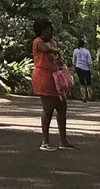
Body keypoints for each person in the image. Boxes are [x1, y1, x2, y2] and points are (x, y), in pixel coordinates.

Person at [31, 19, 74, 151]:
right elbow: (47, 50)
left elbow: (55, 58)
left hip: (56, 77)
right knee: (48, 109)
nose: (51, 33)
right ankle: (45, 141)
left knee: (62, 108)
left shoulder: (51, 43)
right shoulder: (38, 42)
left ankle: (63, 140)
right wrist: (56, 51)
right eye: (49, 30)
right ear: (42, 31)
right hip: (44, 77)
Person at [71, 37, 93, 101]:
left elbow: (74, 60)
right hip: (86, 68)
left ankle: (84, 96)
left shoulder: (75, 51)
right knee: (88, 83)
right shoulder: (87, 51)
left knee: (82, 82)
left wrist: (74, 67)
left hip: (79, 67)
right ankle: (89, 96)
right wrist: (91, 69)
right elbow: (89, 61)